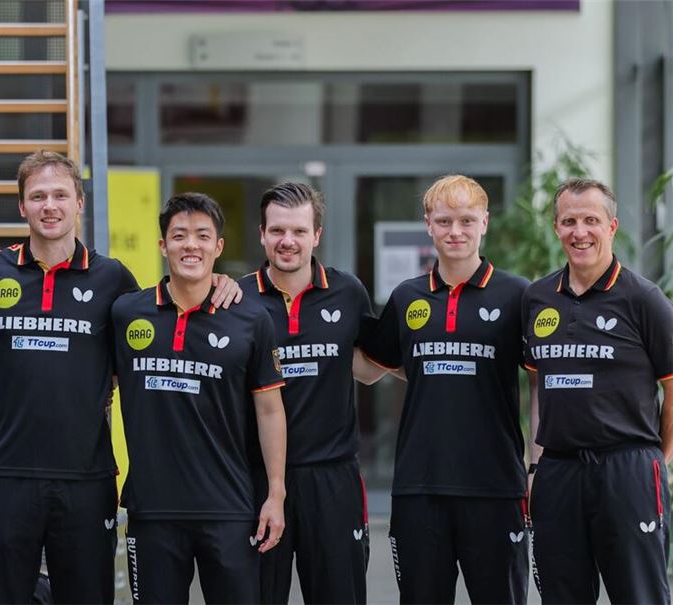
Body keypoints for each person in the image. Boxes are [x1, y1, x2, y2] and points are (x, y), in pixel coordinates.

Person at [0, 151, 242, 604]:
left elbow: (155, 334)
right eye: (37, 196)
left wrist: (227, 283)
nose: (49, 206)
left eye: (59, 195)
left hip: (87, 477)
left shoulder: (113, 279)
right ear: (21, 206)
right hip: (6, 474)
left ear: (79, 203)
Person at [363, 175, 533, 604]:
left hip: (495, 486)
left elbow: (543, 381)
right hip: (420, 488)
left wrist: (538, 465)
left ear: (485, 223)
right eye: (444, 221)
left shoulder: (519, 295)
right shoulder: (407, 297)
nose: (455, 231)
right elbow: (369, 369)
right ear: (428, 225)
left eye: (466, 220)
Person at [111, 192, 287, 604]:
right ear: (162, 245)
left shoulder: (250, 319)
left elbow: (270, 409)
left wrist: (276, 493)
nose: (191, 245)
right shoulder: (126, 314)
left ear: (218, 246)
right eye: (180, 235)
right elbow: (99, 388)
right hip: (152, 510)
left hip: (228, 509)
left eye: (202, 236)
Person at [522, 178, 673, 604]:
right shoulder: (537, 299)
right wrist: (536, 466)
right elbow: (538, 384)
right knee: (561, 594)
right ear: (556, 228)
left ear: (612, 226)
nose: (579, 232)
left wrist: (654, 463)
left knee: (639, 594)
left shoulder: (644, 299)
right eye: (569, 221)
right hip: (558, 472)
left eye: (591, 220)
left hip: (628, 469)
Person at [240, 182, 389, 604]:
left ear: (317, 235)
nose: (288, 241)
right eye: (278, 231)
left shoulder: (347, 292)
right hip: (257, 481)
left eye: (299, 231)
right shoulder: (237, 298)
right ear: (262, 234)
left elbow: (367, 367)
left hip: (332, 478)